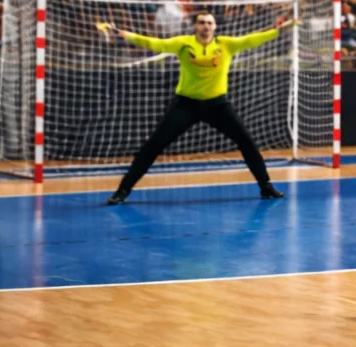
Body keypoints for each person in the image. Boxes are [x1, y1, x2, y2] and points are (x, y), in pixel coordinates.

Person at [104, 12, 291, 204]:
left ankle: (266, 187)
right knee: (153, 145)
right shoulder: (183, 43)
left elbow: (252, 40)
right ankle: (123, 190)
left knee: (246, 142)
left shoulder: (226, 44)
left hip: (217, 105)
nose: (205, 26)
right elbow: (155, 43)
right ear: (195, 26)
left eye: (209, 22)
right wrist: (125, 35)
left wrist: (277, 30)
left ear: (215, 26)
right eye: (201, 22)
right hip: (185, 104)